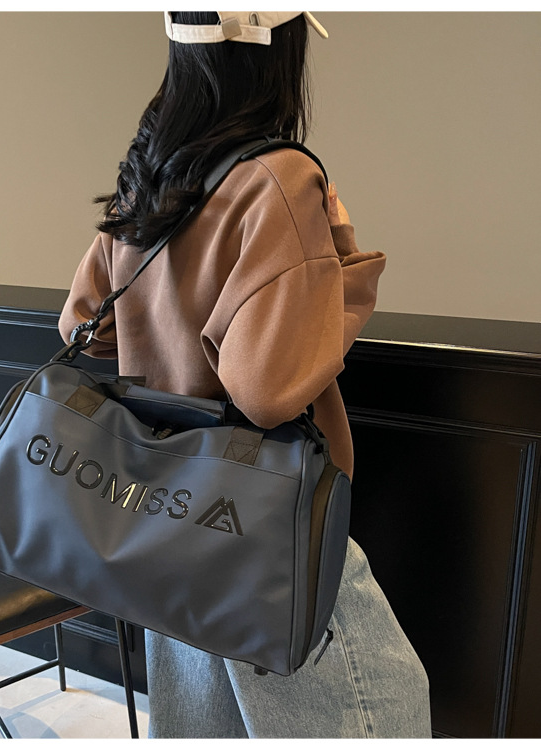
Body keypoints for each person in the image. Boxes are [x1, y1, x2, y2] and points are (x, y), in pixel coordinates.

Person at [58, 11, 431, 739]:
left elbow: (83, 329)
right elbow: (266, 391)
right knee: (383, 707)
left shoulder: (150, 171)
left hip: (164, 515)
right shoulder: (281, 178)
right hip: (263, 517)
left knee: (205, 722)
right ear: (279, 51)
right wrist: (346, 267)